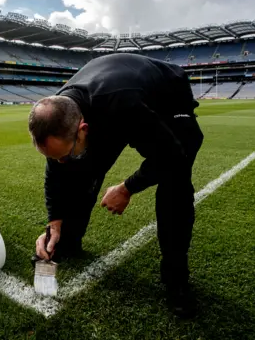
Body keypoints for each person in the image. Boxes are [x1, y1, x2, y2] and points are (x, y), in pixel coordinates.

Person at [27, 53, 204, 317]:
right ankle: (67, 240)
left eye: (62, 154)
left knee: (175, 179)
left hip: (166, 95)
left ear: (83, 129)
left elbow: (173, 153)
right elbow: (57, 172)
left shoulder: (123, 105)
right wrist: (55, 221)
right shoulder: (59, 110)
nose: (58, 161)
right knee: (78, 168)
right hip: (110, 102)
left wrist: (127, 187)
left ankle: (175, 279)